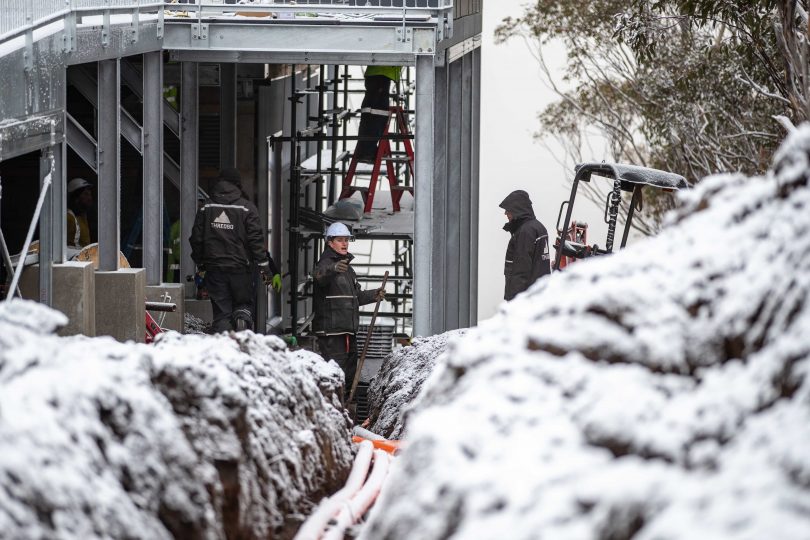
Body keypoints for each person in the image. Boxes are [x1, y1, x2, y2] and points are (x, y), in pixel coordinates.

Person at [189, 167, 281, 332]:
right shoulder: (246, 208)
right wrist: (267, 272)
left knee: (222, 313)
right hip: (241, 270)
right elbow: (256, 243)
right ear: (238, 184)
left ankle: (224, 345)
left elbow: (196, 239)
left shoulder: (206, 207)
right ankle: (242, 322)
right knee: (243, 304)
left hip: (214, 269)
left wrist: (201, 263)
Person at [313, 222, 385, 397]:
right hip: (331, 333)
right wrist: (333, 269)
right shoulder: (325, 263)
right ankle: (333, 408)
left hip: (347, 331)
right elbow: (320, 275)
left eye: (346, 240)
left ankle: (344, 408)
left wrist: (373, 295)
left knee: (349, 375)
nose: (344, 243)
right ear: (330, 242)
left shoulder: (348, 269)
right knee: (334, 375)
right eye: (340, 240)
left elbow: (355, 297)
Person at [500, 190, 551, 301]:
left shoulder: (525, 232)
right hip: (539, 295)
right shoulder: (539, 227)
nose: (505, 213)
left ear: (517, 209)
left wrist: (513, 301)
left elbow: (521, 271)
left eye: (508, 210)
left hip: (526, 299)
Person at [354, 65, 402, 162]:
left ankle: (366, 151)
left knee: (372, 114)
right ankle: (367, 152)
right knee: (377, 115)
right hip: (382, 73)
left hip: (379, 73)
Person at [66, 177, 93, 249]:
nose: (89, 198)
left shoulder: (82, 216)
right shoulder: (68, 218)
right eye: (86, 194)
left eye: (90, 194)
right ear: (75, 197)